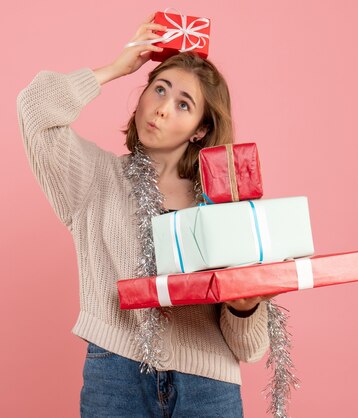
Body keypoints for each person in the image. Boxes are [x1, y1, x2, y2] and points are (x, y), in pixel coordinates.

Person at [16, 13, 275, 417]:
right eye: (158, 89)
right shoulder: (95, 178)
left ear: (200, 130)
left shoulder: (226, 201)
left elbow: (252, 348)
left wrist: (245, 307)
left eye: (183, 104)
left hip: (209, 387)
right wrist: (117, 67)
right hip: (117, 377)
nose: (162, 109)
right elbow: (34, 107)